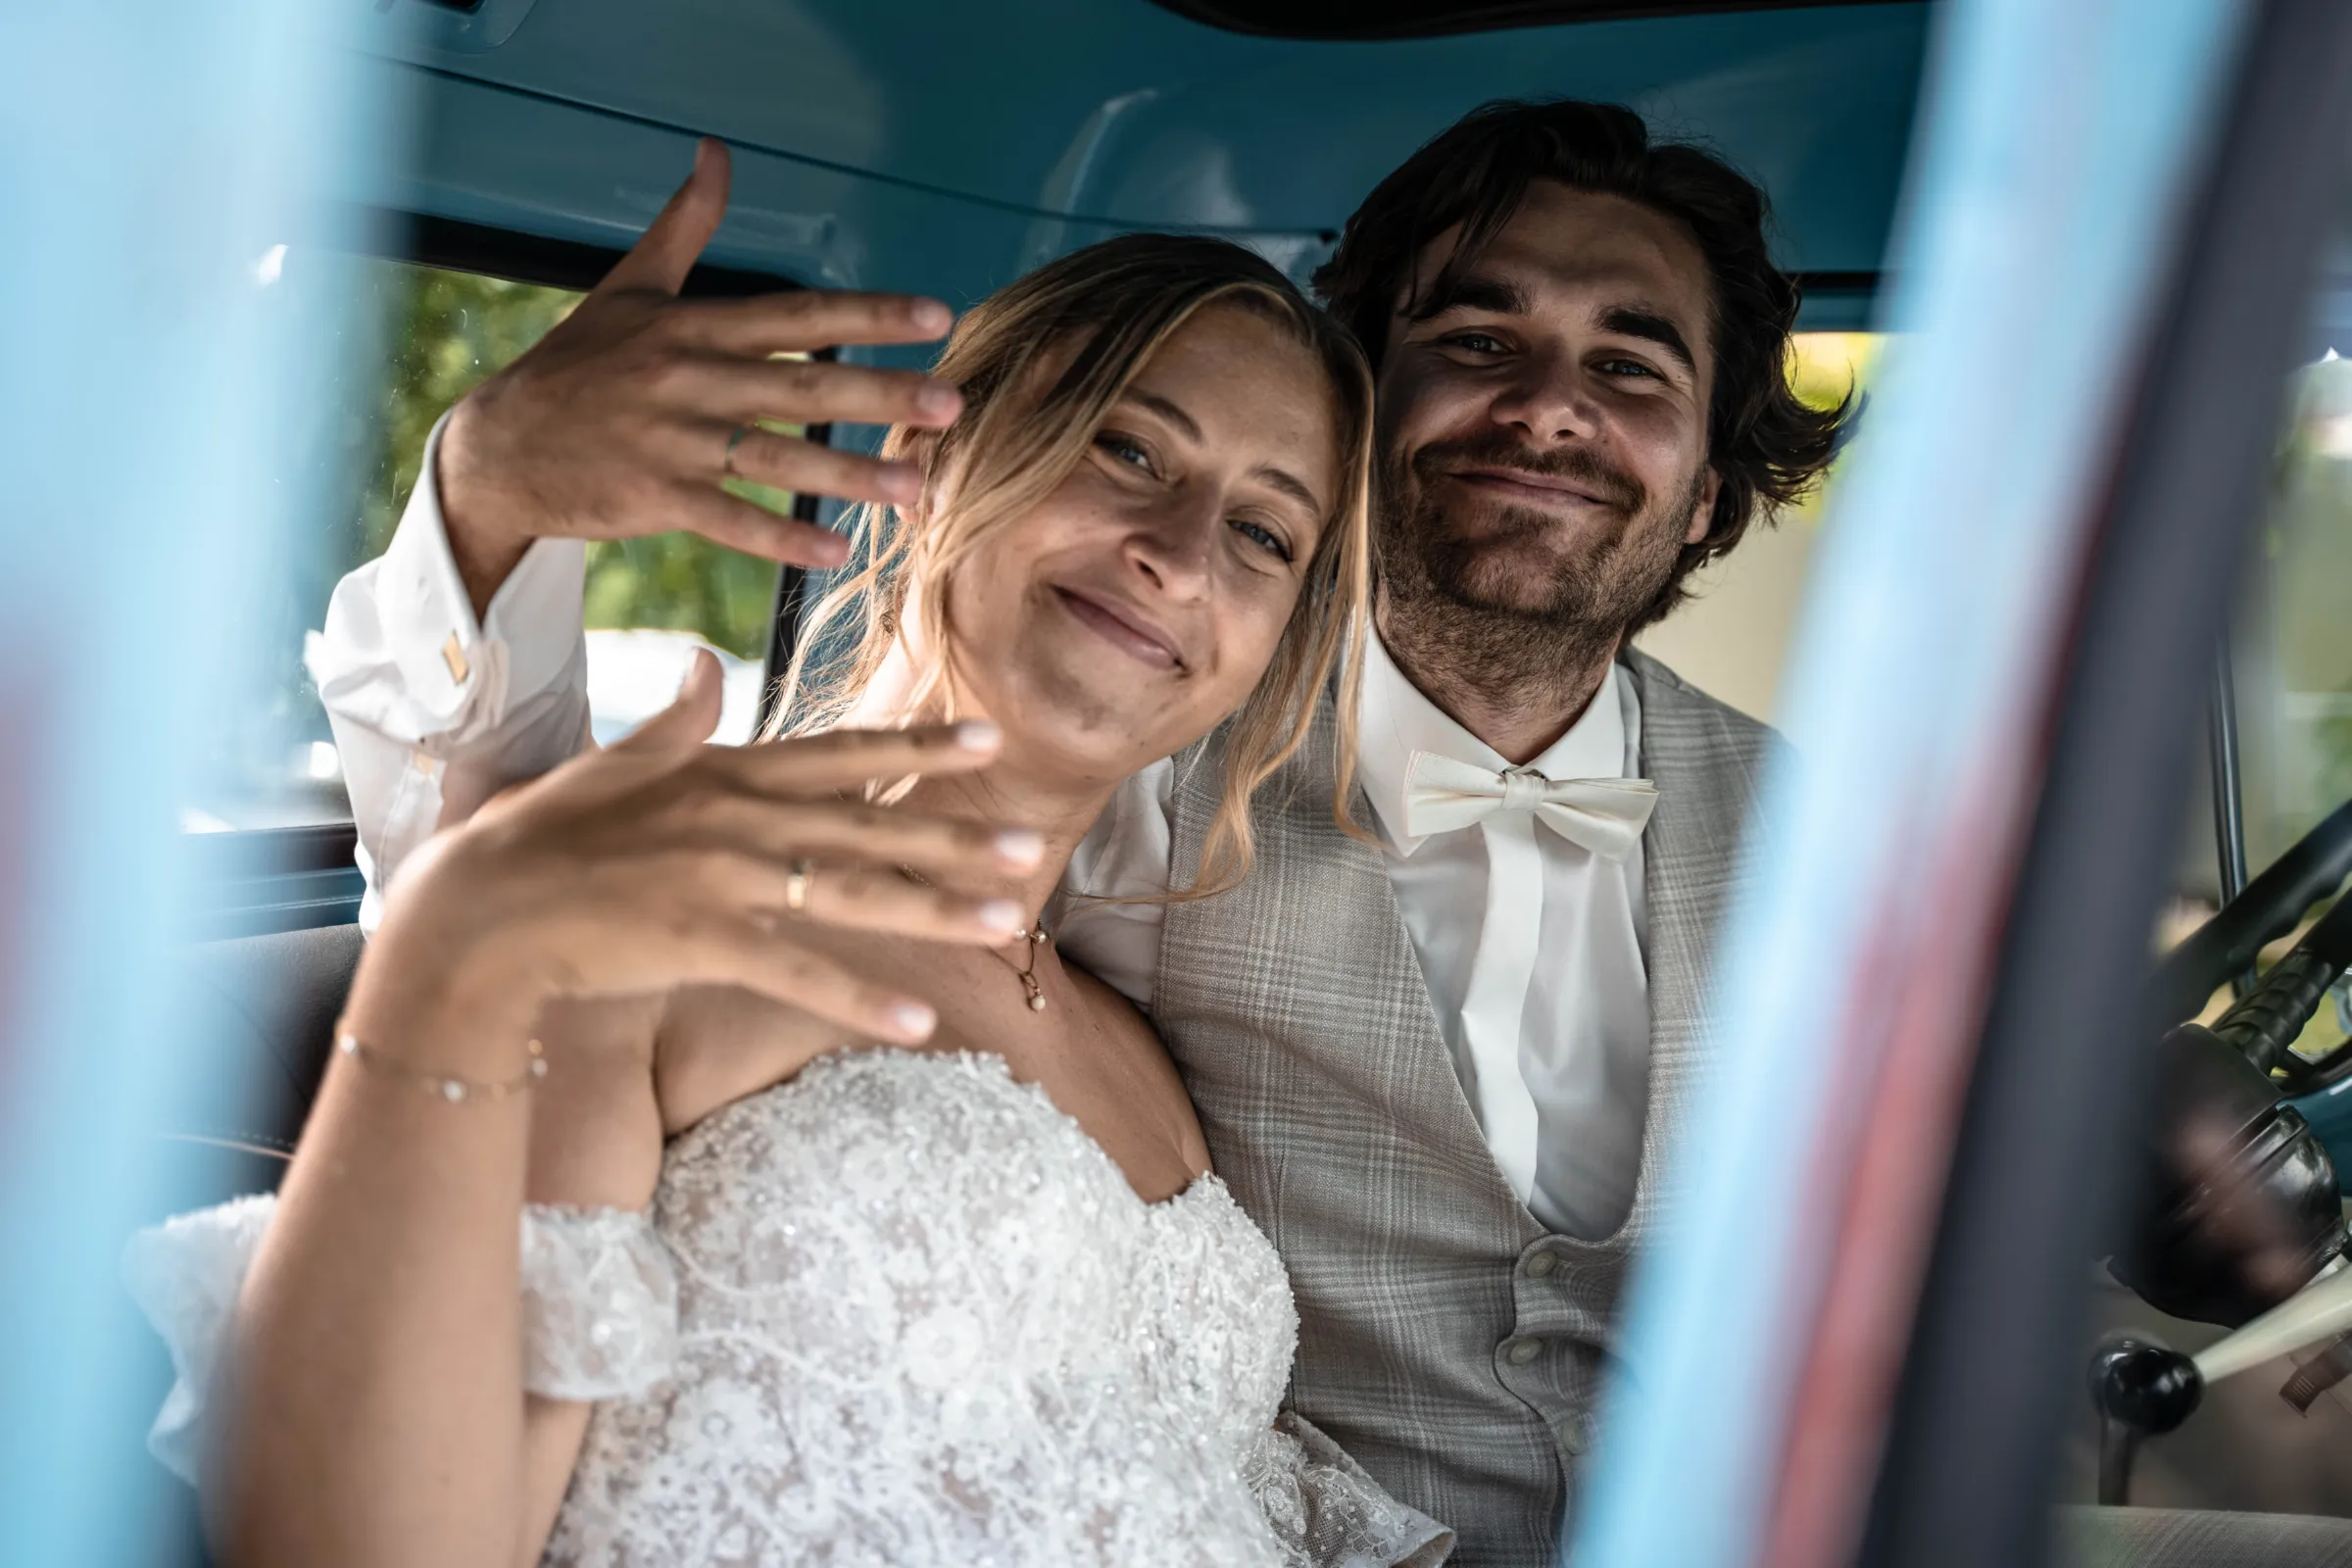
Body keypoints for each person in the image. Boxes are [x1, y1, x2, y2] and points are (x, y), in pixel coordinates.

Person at [285, 104, 1849, 1565]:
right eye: (1479, 337)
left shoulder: (1840, 838)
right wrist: (490, 505)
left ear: (1710, 495)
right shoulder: (1162, 758)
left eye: (1632, 368)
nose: (1552, 404)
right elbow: (498, 873)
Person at [127, 231, 1455, 1566]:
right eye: (1128, 450)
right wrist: (484, 499)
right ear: (933, 462)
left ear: (1270, 647)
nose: (1179, 554)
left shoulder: (1157, 1055)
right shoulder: (656, 921)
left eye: (1263, 532)